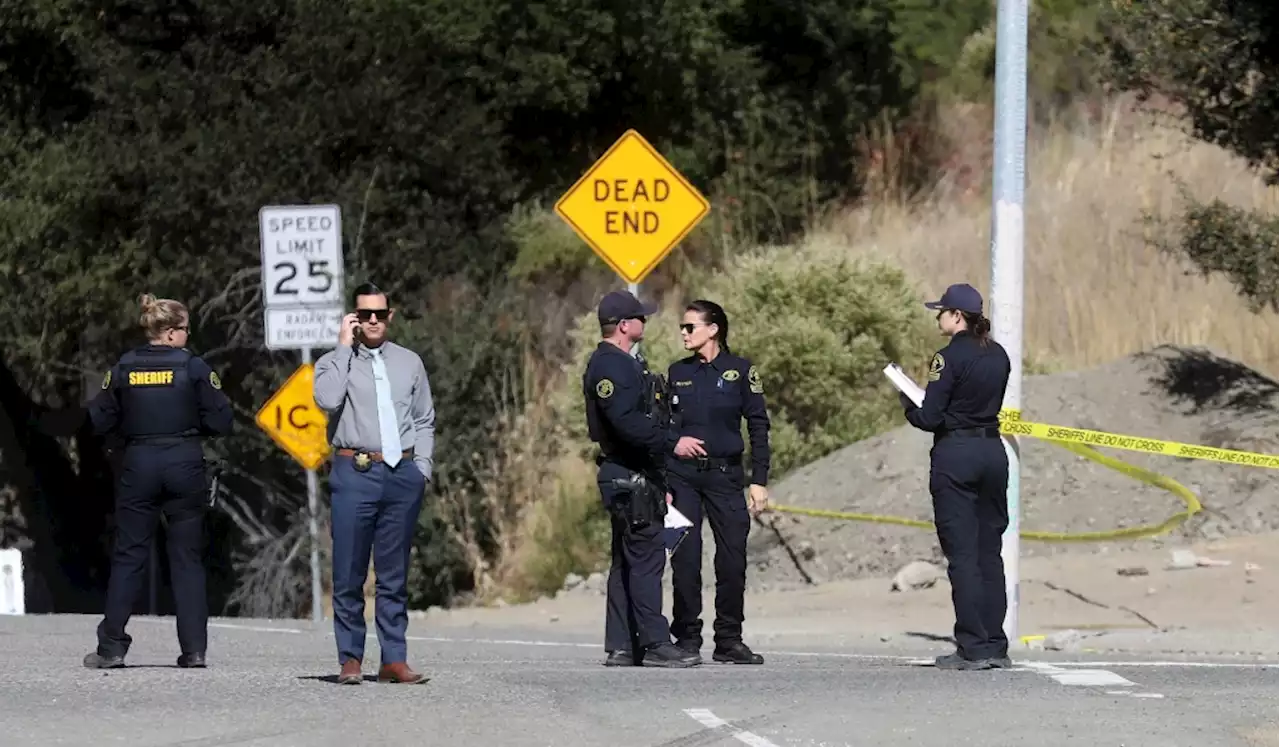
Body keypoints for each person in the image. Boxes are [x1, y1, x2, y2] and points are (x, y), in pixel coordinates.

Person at [83, 293, 233, 669]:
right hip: (184, 464)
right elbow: (221, 420)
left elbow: (99, 420)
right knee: (187, 559)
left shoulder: (122, 368)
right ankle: (194, 649)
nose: (187, 336)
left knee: (129, 556)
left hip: (139, 464)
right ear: (168, 333)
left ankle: (112, 647)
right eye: (184, 329)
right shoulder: (194, 368)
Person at [313, 282, 436, 685]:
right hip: (355, 471)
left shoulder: (409, 362)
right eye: (363, 314)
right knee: (349, 571)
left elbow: (423, 419)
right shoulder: (334, 362)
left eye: (379, 314)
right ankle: (350, 659)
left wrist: (423, 467)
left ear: (389, 316)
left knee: (394, 573)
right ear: (353, 318)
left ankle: (393, 659)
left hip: (401, 473)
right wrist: (342, 347)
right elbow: (328, 401)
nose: (372, 321)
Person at [583, 289, 705, 668]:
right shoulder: (611, 366)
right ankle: (654, 643)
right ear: (623, 326)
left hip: (635, 474)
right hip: (628, 474)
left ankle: (621, 646)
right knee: (647, 557)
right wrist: (674, 443)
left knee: (627, 559)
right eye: (640, 318)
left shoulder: (623, 363)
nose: (645, 322)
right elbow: (628, 424)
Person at [901, 282, 1013, 671]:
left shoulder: (948, 358)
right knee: (989, 553)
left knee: (962, 555)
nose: (938, 316)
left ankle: (972, 646)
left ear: (957, 316)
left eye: (942, 311)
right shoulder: (998, 354)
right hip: (992, 452)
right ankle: (996, 643)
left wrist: (907, 402)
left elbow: (930, 416)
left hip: (957, 454)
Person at [665, 300, 771, 665]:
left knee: (731, 559)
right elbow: (667, 427)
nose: (683, 332)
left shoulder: (741, 371)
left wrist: (759, 480)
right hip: (683, 479)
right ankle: (687, 638)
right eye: (683, 326)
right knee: (684, 557)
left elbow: (758, 425)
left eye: (690, 326)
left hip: (726, 476)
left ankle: (729, 639)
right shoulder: (677, 372)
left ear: (713, 330)